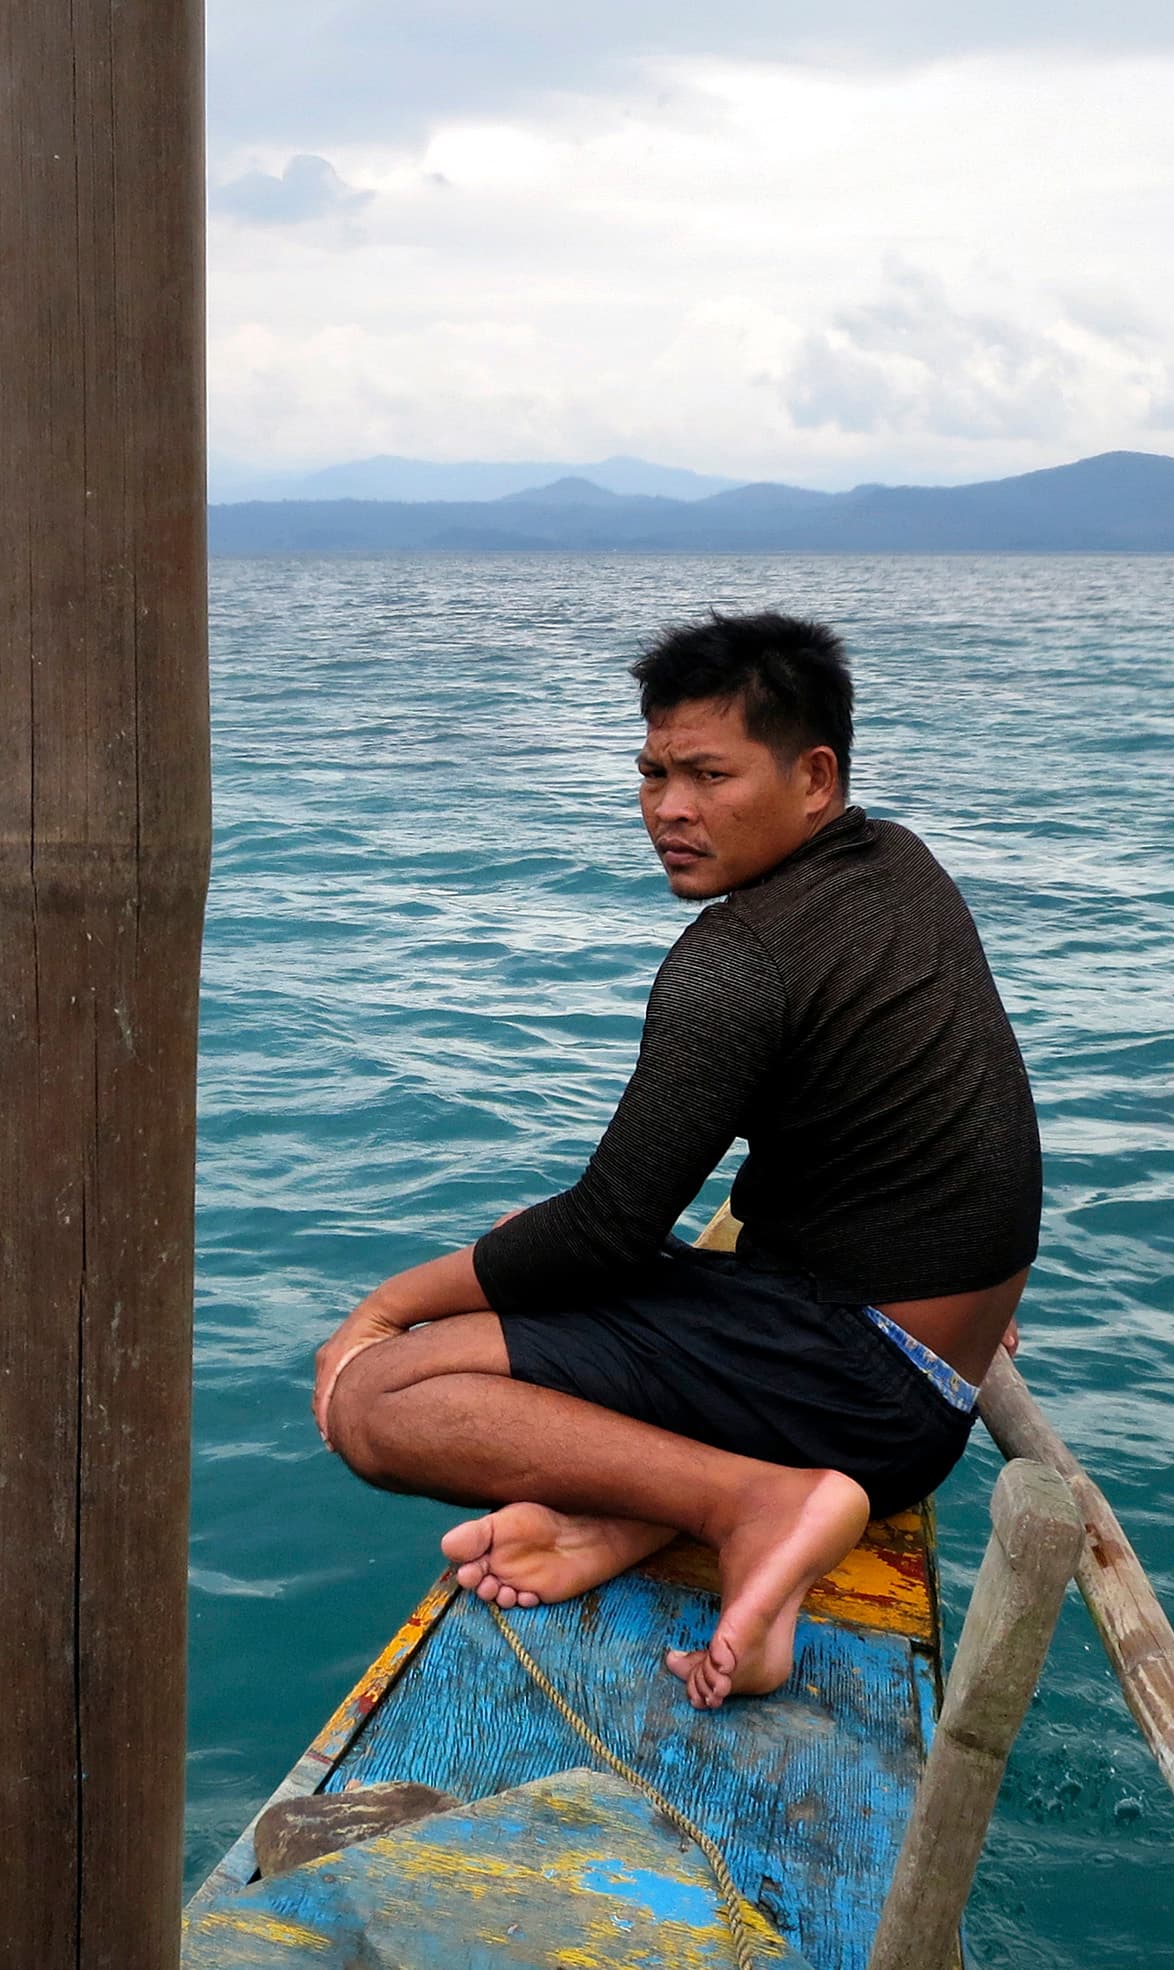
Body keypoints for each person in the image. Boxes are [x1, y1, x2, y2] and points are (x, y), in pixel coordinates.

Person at [312, 610, 1042, 1708]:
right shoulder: (895, 862)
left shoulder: (737, 962)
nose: (669, 808)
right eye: (653, 771)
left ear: (814, 775)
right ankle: (625, 1519)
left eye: (708, 773)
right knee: (524, 1246)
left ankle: (749, 1503)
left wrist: (379, 1309)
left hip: (863, 1392)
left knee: (379, 1400)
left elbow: (609, 1227)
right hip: (925, 1369)